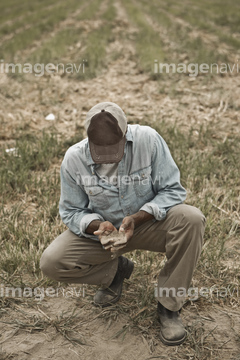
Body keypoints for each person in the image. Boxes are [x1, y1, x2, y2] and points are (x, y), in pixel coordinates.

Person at [40, 101, 205, 346]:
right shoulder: (74, 158)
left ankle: (169, 305)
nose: (107, 157)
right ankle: (116, 272)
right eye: (99, 149)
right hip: (105, 237)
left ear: (126, 133)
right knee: (52, 262)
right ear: (87, 139)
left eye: (113, 149)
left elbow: (172, 190)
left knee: (192, 219)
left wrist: (138, 218)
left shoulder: (149, 140)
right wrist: (96, 225)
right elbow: (71, 211)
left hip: (147, 223)